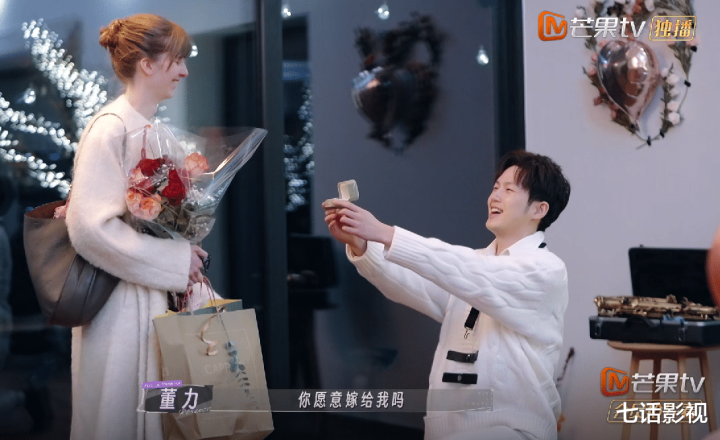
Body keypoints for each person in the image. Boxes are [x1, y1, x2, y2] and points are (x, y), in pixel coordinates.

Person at [323, 151, 571, 440]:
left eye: (509, 190)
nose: (494, 197)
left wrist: (385, 233)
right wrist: (363, 244)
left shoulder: (546, 270)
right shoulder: (469, 269)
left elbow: (477, 274)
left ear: (539, 209)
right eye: (495, 187)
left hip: (513, 430)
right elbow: (415, 283)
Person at [65, 14, 208, 439]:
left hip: (154, 299)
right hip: (122, 306)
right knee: (123, 419)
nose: (184, 71)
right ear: (147, 64)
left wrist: (183, 248)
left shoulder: (150, 129)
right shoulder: (110, 129)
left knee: (164, 418)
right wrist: (174, 259)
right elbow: (90, 227)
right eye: (176, 60)